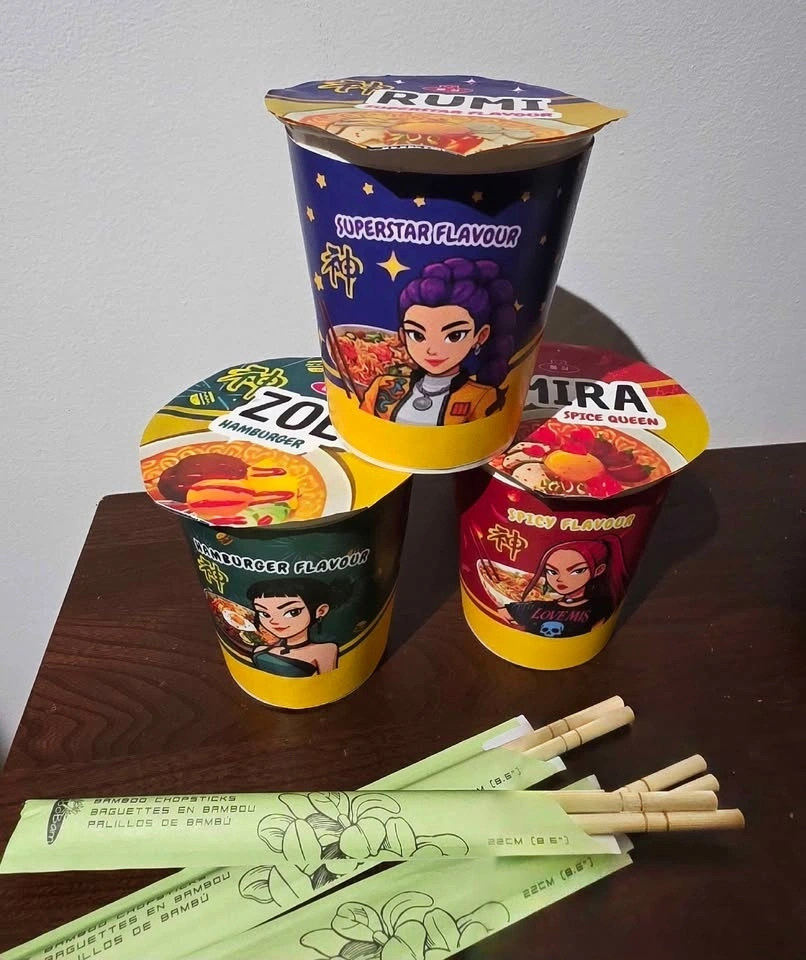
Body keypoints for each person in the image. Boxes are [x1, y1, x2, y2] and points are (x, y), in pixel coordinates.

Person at [360, 257, 517, 426]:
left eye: (454, 336)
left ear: (480, 336)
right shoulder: (382, 386)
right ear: (403, 336)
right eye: (417, 335)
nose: (432, 350)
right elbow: (363, 424)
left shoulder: (482, 397)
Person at [499, 537, 629, 639]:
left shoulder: (600, 607)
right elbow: (502, 613)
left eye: (577, 571)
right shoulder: (536, 606)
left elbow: (593, 632)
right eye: (552, 572)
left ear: (598, 570)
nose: (560, 579)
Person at [245, 578, 352, 677]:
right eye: (264, 614)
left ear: (320, 611)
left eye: (292, 612)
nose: (274, 621)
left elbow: (328, 682)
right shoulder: (260, 649)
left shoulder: (325, 650)